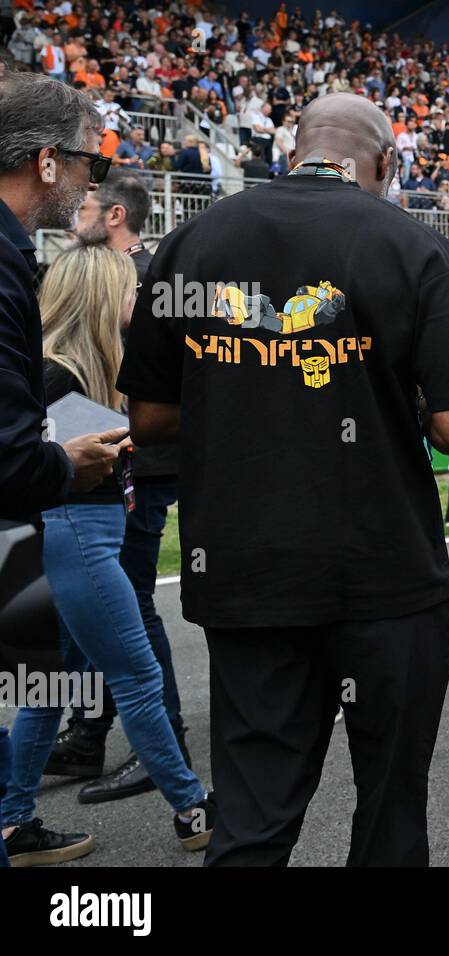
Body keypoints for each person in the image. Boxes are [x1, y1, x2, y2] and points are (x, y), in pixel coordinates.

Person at [117, 92, 449, 865]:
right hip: (382, 576)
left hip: (248, 571)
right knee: (391, 813)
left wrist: (247, 391)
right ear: (385, 163)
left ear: (295, 149)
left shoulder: (191, 241)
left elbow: (149, 417)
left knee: (252, 822)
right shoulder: (415, 246)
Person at [3, 246, 215, 866]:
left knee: (46, 689)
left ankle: (14, 825)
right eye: (131, 290)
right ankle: (192, 810)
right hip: (72, 538)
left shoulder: (71, 370)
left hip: (53, 539)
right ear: (100, 298)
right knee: (137, 675)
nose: (142, 300)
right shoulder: (57, 377)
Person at [0, 70, 130, 869]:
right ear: (49, 162)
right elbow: (12, 450)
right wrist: (67, 463)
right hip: (42, 520)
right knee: (123, 664)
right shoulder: (14, 262)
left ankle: (16, 817)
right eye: (89, 162)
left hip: (35, 538)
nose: (90, 177)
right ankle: (185, 795)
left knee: (43, 673)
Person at [42, 168, 189, 805]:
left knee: (128, 601)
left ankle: (166, 742)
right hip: (89, 458)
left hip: (135, 462)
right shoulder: (97, 268)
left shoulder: (147, 276)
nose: (74, 213)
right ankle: (88, 730)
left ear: (114, 218)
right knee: (77, 617)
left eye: (86, 208)